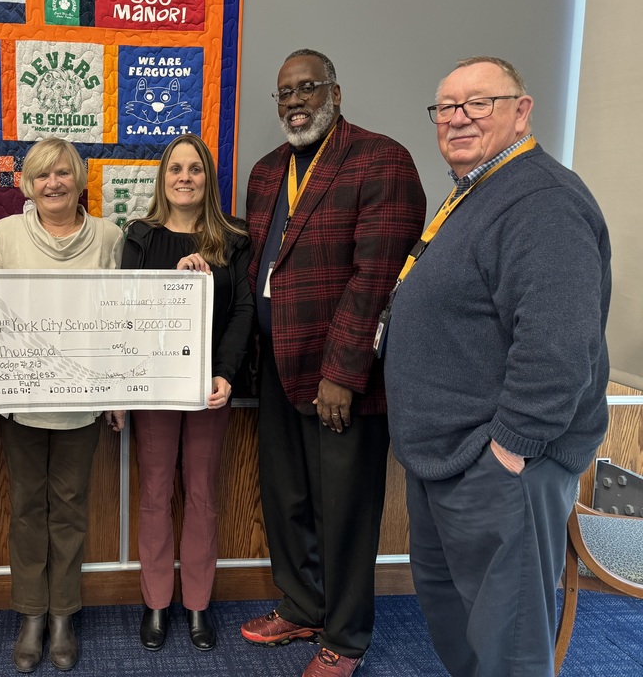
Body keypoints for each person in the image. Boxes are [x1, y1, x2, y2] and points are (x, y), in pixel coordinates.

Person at [383, 57, 611, 676]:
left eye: (478, 103)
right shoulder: (479, 193)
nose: (458, 119)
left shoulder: (541, 200)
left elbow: (559, 341)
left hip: (503, 466)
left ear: (522, 109)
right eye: (447, 107)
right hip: (451, 460)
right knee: (458, 622)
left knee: (507, 646)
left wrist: (510, 448)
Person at [242, 50, 426, 677]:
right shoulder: (267, 172)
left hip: (341, 378)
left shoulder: (382, 160)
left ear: (335, 92)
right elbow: (261, 266)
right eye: (284, 92)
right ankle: (301, 605)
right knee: (285, 497)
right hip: (276, 367)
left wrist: (341, 373)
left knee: (345, 508)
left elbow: (378, 278)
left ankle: (345, 637)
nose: (294, 100)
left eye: (306, 87)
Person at [0, 137, 124, 673]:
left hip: (83, 403)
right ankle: (31, 614)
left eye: (63, 173)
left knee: (68, 509)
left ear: (79, 177)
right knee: (25, 509)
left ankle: (62, 613)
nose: (54, 183)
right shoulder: (6, 233)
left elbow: (118, 321)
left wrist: (118, 395)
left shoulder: (109, 236)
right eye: (42, 175)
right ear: (28, 184)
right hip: (22, 400)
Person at [120, 134, 254, 652]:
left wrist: (224, 372)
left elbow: (243, 311)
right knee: (155, 495)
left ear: (207, 179)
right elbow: (124, 306)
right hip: (153, 386)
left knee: (202, 495)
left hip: (209, 388)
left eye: (194, 169)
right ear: (162, 177)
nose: (184, 177)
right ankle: (156, 602)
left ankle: (197, 604)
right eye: (175, 168)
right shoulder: (141, 235)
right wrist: (170, 283)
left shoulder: (233, 238)